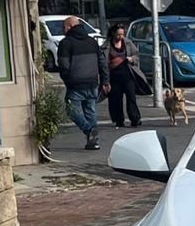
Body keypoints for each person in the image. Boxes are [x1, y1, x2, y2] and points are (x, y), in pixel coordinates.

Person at [55, 16, 108, 150]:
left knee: (71, 111)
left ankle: (89, 130)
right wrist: (105, 80)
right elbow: (102, 63)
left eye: (64, 27)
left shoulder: (66, 43)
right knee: (90, 110)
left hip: (75, 83)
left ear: (69, 27)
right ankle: (92, 141)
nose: (63, 30)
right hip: (92, 82)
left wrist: (67, 80)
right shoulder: (92, 42)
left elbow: (63, 65)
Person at [105, 24, 144, 128]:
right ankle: (119, 120)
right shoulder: (107, 45)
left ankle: (135, 119)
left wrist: (132, 59)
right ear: (113, 33)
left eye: (122, 34)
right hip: (114, 76)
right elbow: (104, 62)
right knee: (116, 99)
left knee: (131, 97)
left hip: (128, 74)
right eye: (118, 35)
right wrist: (105, 80)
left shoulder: (127, 42)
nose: (120, 37)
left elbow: (136, 55)